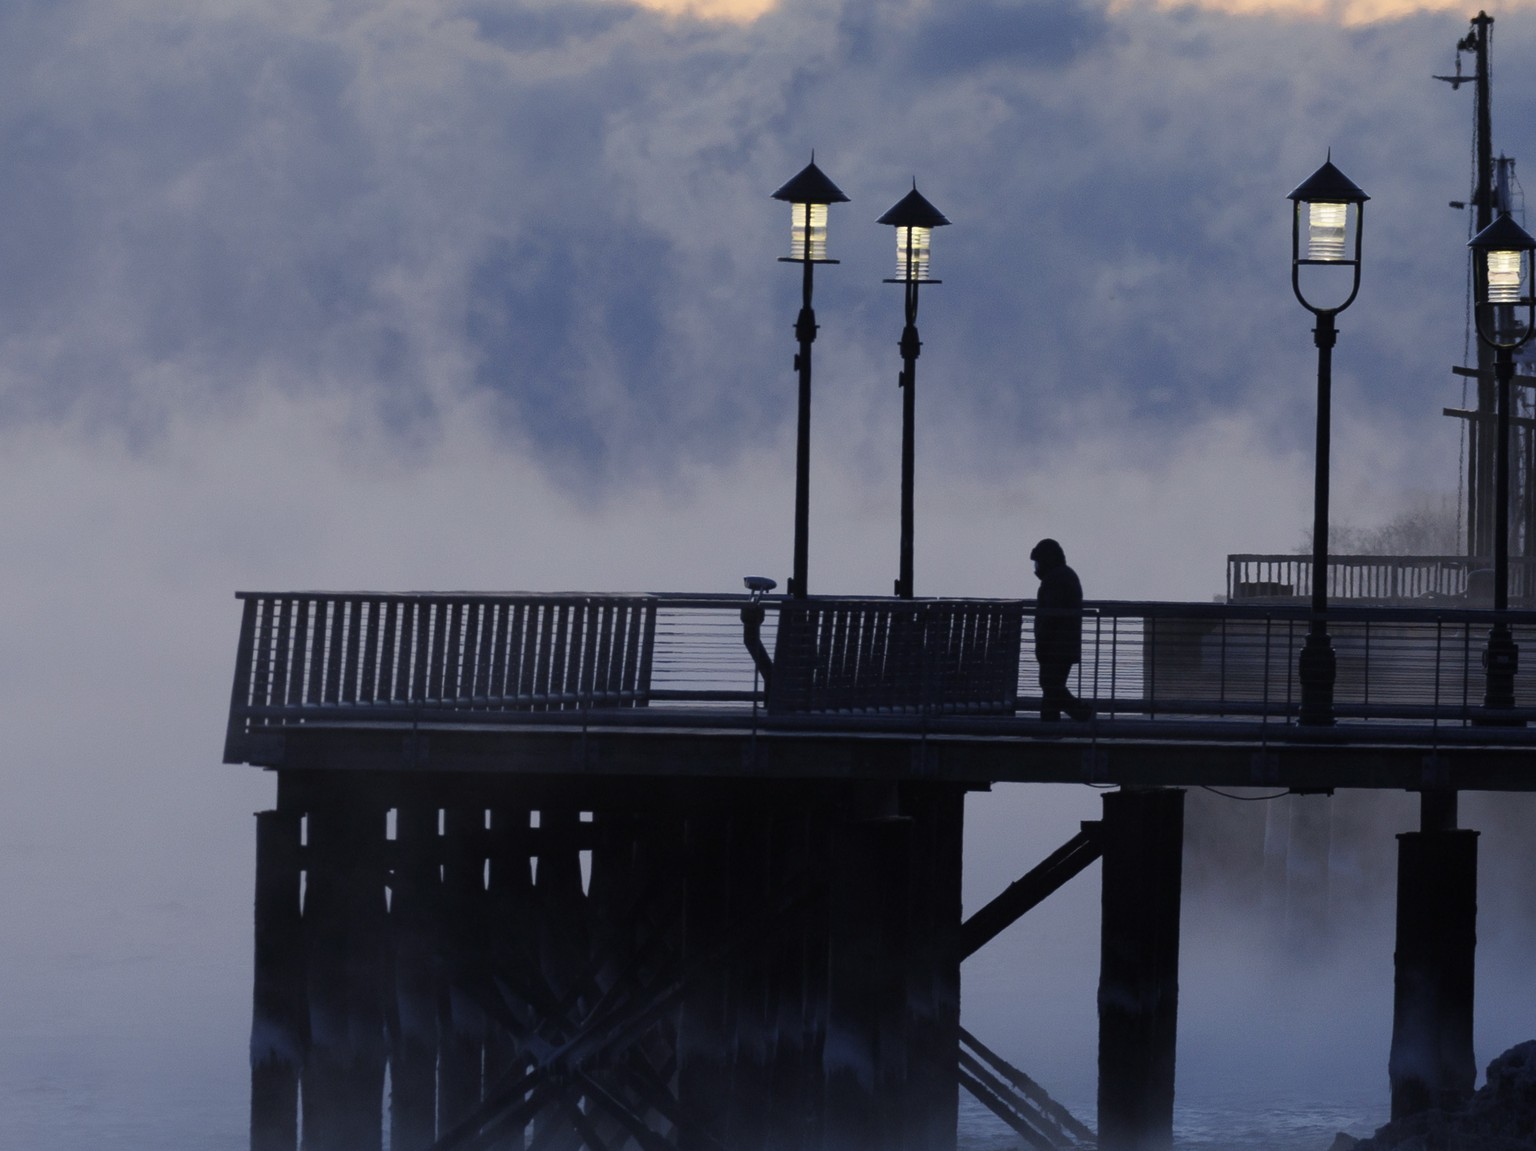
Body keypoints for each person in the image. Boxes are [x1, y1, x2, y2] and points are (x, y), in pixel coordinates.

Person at [1031, 538, 1093, 721]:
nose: (1036, 567)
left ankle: (1082, 715)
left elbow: (1051, 616)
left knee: (1051, 686)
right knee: (1052, 688)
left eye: (1038, 562)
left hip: (1056, 646)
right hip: (1065, 644)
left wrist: (1042, 642)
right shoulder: (1064, 575)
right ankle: (1050, 730)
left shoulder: (1055, 579)